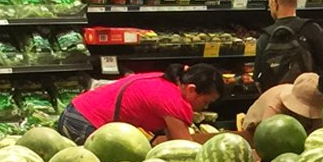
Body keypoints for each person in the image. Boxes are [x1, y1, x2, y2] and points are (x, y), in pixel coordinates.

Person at [59, 63, 223, 144]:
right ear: (192, 89)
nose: (205, 107)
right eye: (206, 101)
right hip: (83, 123)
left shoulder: (166, 81)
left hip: (73, 112)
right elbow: (185, 149)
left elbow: (172, 143)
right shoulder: (175, 101)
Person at [254, 0, 323, 88]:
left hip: (277, 98)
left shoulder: (265, 36)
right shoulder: (312, 29)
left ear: (274, 2)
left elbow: (258, 79)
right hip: (308, 96)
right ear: (296, 1)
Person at [241, 71, 323, 141]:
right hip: (255, 131)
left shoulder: (318, 102)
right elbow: (268, 138)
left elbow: (318, 132)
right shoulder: (275, 106)